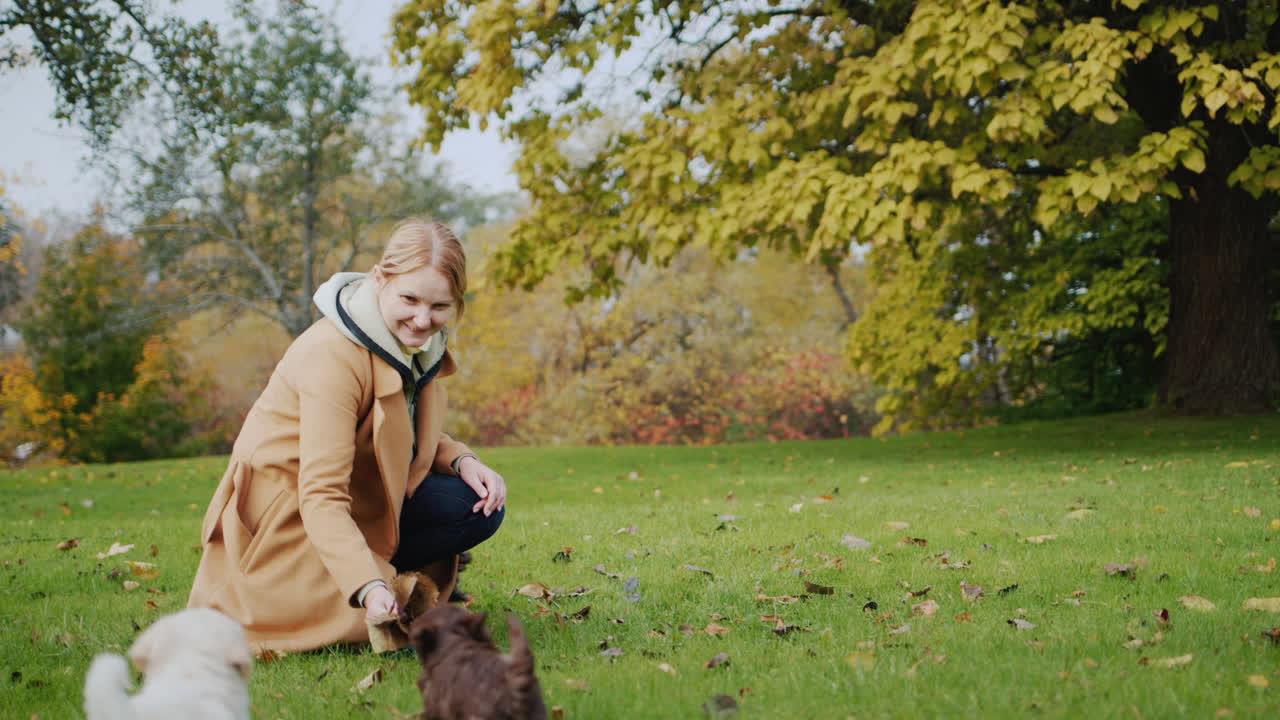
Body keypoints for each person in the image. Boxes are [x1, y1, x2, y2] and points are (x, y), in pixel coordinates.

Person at [188, 218, 506, 654]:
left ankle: (397, 578)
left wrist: (464, 461)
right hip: (288, 517)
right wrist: (367, 585)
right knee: (392, 591)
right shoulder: (332, 357)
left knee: (474, 507)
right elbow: (319, 494)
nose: (421, 319)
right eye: (409, 299)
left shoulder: (413, 344)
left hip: (361, 492)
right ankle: (373, 588)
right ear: (379, 280)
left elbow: (402, 426)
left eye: (439, 306)